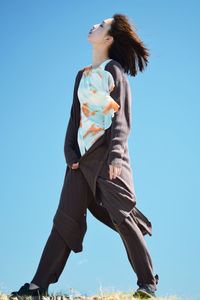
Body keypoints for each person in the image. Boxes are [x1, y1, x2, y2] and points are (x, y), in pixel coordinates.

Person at [10, 14, 159, 299]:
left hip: (107, 158)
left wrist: (116, 156)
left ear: (109, 38)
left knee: (122, 218)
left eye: (102, 26)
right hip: (79, 163)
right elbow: (74, 120)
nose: (95, 26)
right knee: (65, 219)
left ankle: (147, 284)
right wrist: (69, 153)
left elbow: (121, 118)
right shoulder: (82, 75)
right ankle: (36, 287)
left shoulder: (114, 72)